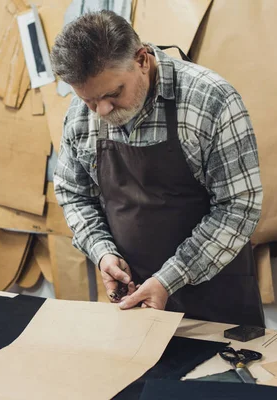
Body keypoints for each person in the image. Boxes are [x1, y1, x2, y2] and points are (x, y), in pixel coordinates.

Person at [50, 10, 265, 326]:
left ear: (141, 60)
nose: (102, 111)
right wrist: (103, 253)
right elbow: (73, 194)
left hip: (216, 302)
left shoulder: (209, 100)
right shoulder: (82, 117)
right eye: (90, 101)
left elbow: (238, 207)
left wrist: (170, 278)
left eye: (113, 94)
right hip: (133, 302)